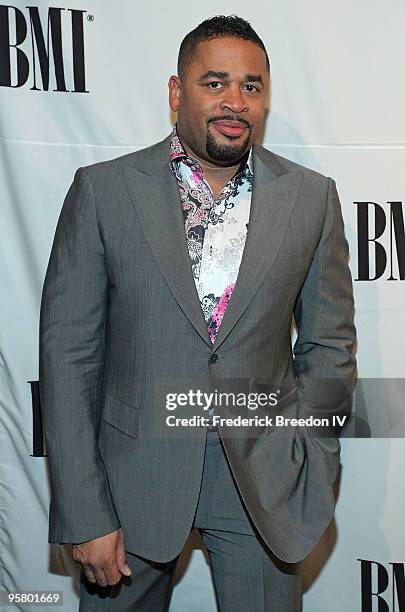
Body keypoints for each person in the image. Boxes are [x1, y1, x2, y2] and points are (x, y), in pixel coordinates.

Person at [39, 14, 357, 612]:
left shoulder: (312, 198)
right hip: (131, 482)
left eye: (251, 86)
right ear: (175, 92)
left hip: (264, 482)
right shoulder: (104, 191)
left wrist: (317, 461)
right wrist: (84, 510)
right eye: (215, 83)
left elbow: (329, 345)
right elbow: (68, 358)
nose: (235, 102)